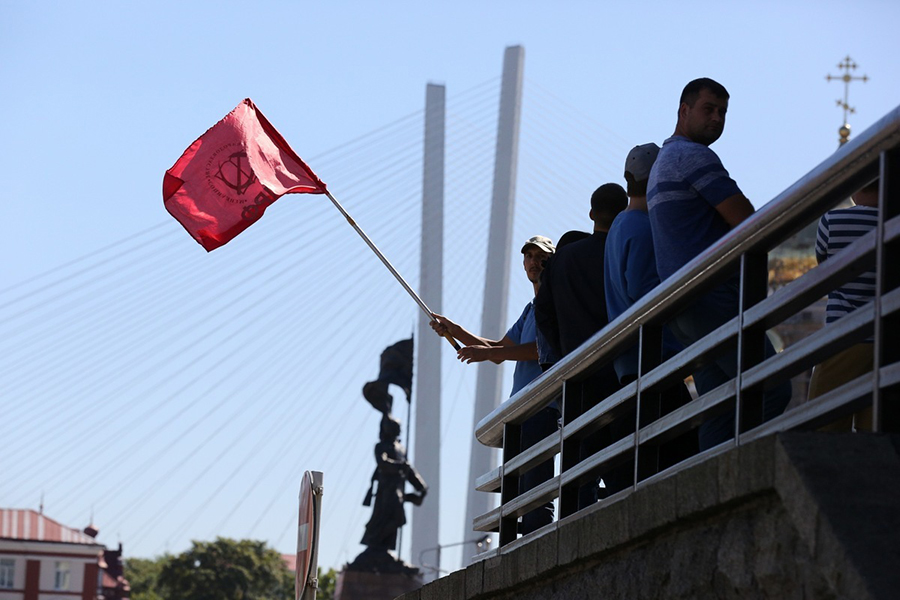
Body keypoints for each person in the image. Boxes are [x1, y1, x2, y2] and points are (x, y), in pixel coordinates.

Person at [647, 78, 790, 450]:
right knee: (772, 386)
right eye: (708, 109)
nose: (716, 118)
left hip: (683, 306)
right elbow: (747, 220)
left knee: (719, 405)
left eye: (722, 112)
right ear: (684, 111)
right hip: (712, 299)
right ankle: (746, 478)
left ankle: (713, 490)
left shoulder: (664, 162)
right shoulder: (693, 156)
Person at [430, 235, 558, 534]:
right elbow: (501, 349)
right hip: (521, 410)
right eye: (529, 256)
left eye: (542, 257)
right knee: (519, 487)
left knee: (536, 487)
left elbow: (541, 350)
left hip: (543, 406)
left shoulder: (554, 302)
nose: (535, 262)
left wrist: (487, 353)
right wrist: (455, 330)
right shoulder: (531, 308)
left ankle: (538, 547)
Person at [605, 143, 697, 469]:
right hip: (653, 361)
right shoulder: (643, 229)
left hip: (631, 363)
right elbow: (647, 294)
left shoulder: (619, 224)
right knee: (684, 454)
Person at [534, 184, 627, 505]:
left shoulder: (563, 260)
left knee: (580, 464)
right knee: (623, 459)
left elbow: (542, 313)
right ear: (624, 210)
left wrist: (563, 353)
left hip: (578, 375)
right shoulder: (622, 249)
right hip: (622, 370)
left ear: (591, 214)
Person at [808, 179, 879, 430]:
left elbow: (824, 266)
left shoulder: (832, 221)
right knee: (878, 428)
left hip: (844, 334)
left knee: (824, 424)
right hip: (889, 336)